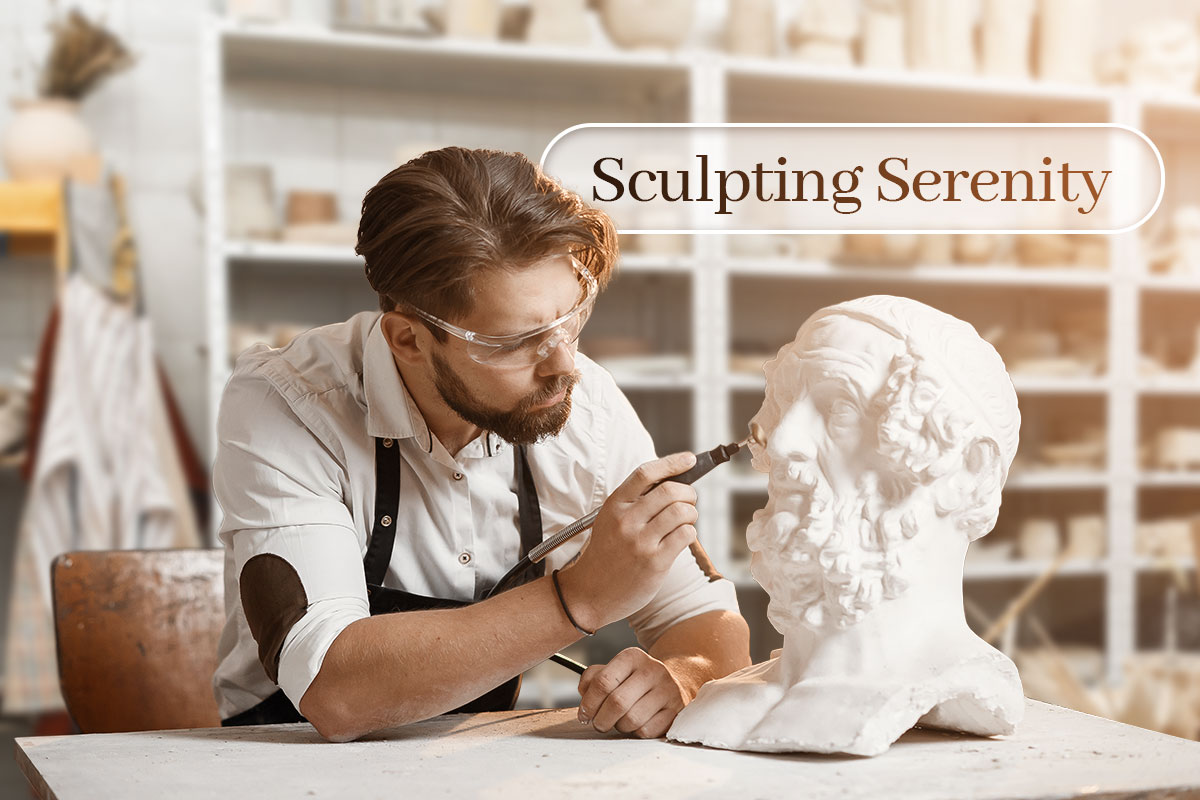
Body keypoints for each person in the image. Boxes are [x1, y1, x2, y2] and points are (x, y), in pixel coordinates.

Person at [211, 147, 751, 742]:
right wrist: (579, 598)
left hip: (477, 753)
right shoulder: (289, 403)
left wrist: (681, 677)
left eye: (570, 317)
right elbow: (334, 691)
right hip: (283, 757)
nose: (564, 365)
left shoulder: (585, 405)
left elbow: (701, 616)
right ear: (408, 340)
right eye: (515, 342)